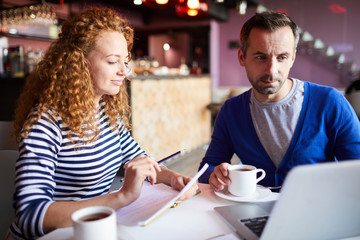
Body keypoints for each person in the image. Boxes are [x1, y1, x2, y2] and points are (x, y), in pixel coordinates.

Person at [7, 7, 197, 240]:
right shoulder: (46, 122)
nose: (123, 72)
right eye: (112, 61)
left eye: (125, 62)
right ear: (78, 64)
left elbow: (140, 162)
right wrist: (121, 197)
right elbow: (29, 217)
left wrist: (173, 177)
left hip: (91, 231)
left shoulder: (107, 113)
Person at [198, 11, 360, 191]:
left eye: (282, 57)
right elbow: (206, 170)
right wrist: (215, 175)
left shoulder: (330, 103)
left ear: (292, 58)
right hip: (254, 215)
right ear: (242, 57)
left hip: (319, 213)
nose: (271, 71)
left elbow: (356, 170)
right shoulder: (231, 111)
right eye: (260, 57)